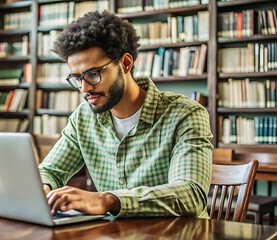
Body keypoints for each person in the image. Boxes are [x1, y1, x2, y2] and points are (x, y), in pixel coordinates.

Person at [38, 10, 213, 218]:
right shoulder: (83, 118)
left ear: (126, 64)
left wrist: (109, 200)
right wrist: (44, 188)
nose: (84, 88)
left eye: (93, 74)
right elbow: (49, 171)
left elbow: (190, 194)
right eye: (77, 78)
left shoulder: (186, 114)